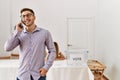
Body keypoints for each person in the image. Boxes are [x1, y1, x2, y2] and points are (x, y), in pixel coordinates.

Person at [4, 8, 56, 80]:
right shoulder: (19, 34)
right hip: (22, 76)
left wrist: (46, 68)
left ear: (34, 17)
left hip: (38, 75)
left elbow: (52, 51)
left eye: (28, 15)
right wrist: (16, 31)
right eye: (23, 16)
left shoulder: (45, 33)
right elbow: (7, 48)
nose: (26, 18)